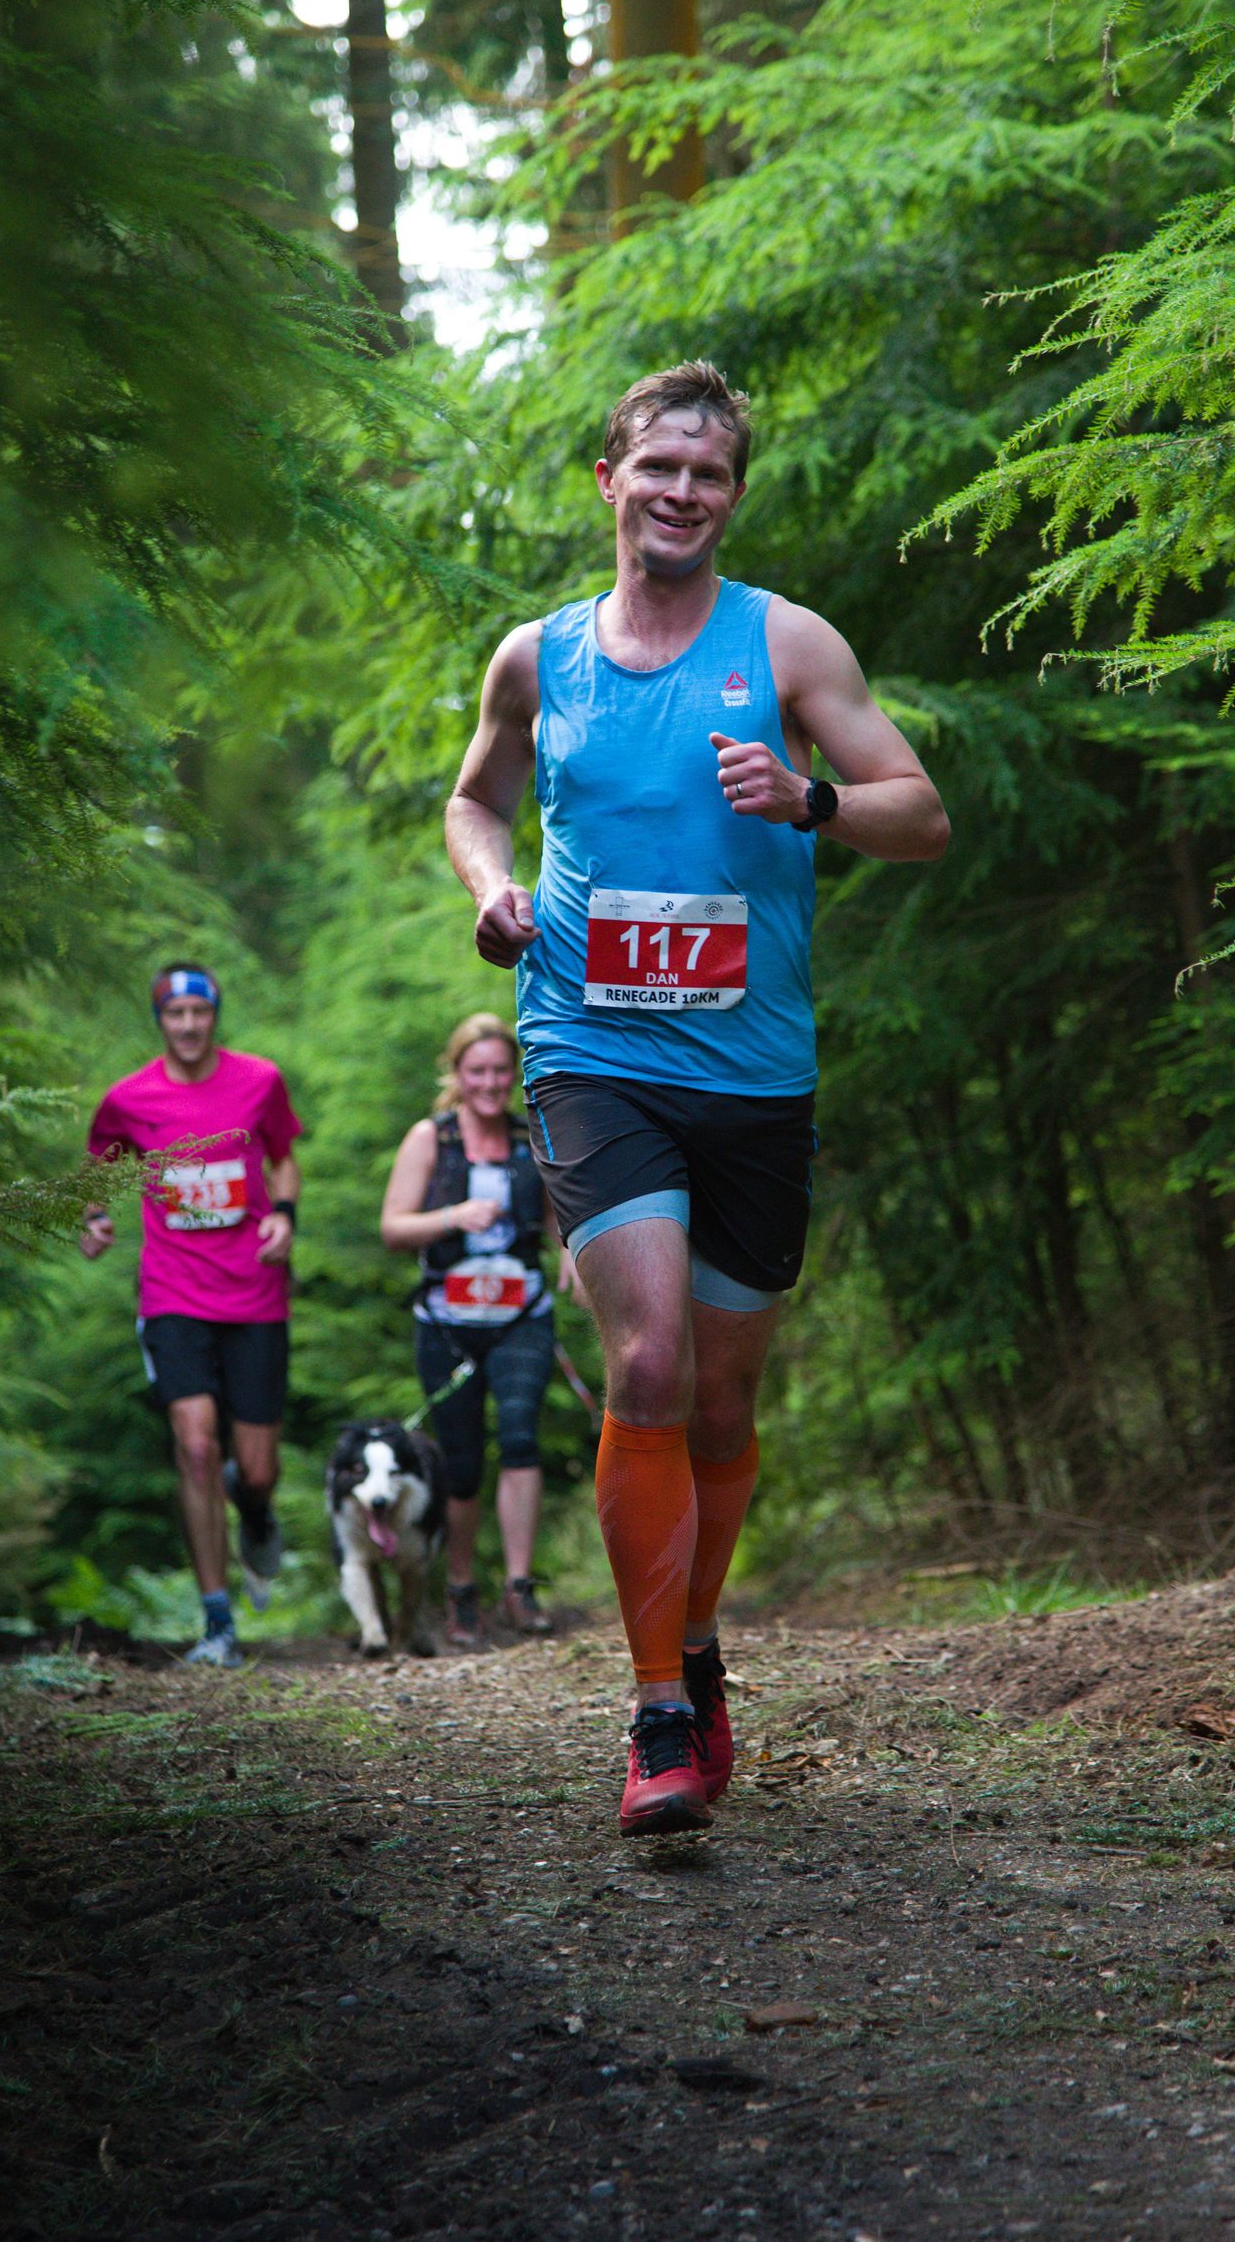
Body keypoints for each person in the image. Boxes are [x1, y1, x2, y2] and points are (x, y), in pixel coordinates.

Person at [445, 360, 949, 1834]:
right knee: (651, 1360)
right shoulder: (538, 658)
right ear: (610, 482)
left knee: (723, 1401)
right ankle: (659, 1711)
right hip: (592, 1049)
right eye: (657, 467)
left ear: (732, 496)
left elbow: (919, 812)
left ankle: (698, 1645)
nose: (680, 493)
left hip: (753, 1072)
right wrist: (494, 886)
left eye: (708, 474)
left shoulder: (785, 646)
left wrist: (811, 802)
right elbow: (475, 799)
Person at [79, 964, 303, 1670]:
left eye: (197, 1012)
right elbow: (97, 1167)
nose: (186, 1024)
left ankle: (256, 1508)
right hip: (173, 1294)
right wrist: (94, 1216)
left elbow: (285, 1159)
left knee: (257, 1468)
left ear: (214, 1016)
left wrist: (287, 1217)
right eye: (173, 1012)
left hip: (255, 1293)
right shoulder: (128, 1098)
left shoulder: (259, 1081)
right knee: (197, 1445)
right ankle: (217, 1622)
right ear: (159, 1018)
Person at [380, 1012, 578, 1646]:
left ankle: (519, 1587)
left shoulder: (531, 1139)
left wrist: (572, 1249)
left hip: (522, 1314)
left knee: (521, 1439)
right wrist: (453, 1216)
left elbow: (557, 1218)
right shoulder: (430, 1140)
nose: (491, 1083)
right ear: (458, 1075)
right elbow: (393, 1227)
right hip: (447, 1322)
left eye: (500, 1070)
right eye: (478, 1071)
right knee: (461, 1463)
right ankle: (460, 1590)